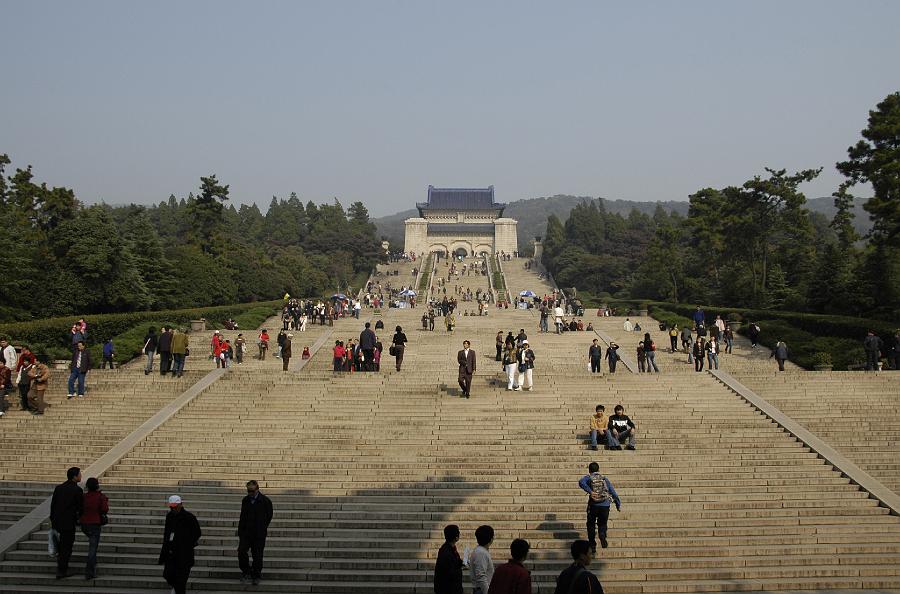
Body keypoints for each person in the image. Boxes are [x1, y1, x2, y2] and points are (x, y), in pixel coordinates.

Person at [158, 495, 201, 594]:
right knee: (168, 574)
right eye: (171, 507)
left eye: (175, 506)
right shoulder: (169, 517)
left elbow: (197, 533)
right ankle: (175, 587)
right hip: (171, 553)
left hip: (184, 554)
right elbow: (167, 534)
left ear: (180, 505)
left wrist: (188, 543)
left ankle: (177, 589)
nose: (173, 509)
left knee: (181, 581)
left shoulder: (189, 517)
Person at [578, 462, 621, 552]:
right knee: (602, 523)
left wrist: (590, 491)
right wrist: (618, 504)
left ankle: (592, 545)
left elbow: (581, 482)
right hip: (605, 505)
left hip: (593, 505)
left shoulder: (588, 478)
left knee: (591, 524)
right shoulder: (604, 479)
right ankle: (602, 534)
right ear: (598, 470)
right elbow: (613, 492)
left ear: (589, 470)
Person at [238, 480, 273, 585]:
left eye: (252, 491)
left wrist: (262, 527)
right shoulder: (245, 500)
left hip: (258, 533)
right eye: (248, 491)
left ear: (257, 489)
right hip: (246, 533)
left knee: (257, 555)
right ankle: (246, 571)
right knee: (241, 551)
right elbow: (242, 516)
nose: (250, 493)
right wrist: (241, 531)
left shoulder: (265, 501)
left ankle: (256, 574)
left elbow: (269, 515)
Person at [50, 466, 83, 579]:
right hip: (69, 523)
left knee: (61, 546)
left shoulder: (59, 488)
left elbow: (53, 506)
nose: (80, 476)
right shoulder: (77, 490)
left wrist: (53, 520)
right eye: (79, 474)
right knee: (67, 547)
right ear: (74, 476)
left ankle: (61, 567)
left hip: (57, 522)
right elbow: (80, 507)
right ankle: (62, 570)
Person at [80, 477, 109, 580]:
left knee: (93, 544)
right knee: (93, 547)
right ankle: (89, 571)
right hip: (94, 523)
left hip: (84, 524)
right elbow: (105, 509)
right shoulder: (100, 496)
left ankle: (93, 563)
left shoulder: (84, 496)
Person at [434, 524, 463, 594]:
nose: (459, 534)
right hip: (448, 589)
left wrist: (461, 563)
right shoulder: (446, 552)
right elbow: (450, 573)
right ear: (456, 537)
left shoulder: (450, 548)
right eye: (458, 532)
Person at [470, 525, 495, 594]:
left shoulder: (481, 551)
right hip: (481, 590)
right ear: (490, 539)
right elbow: (481, 576)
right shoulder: (481, 553)